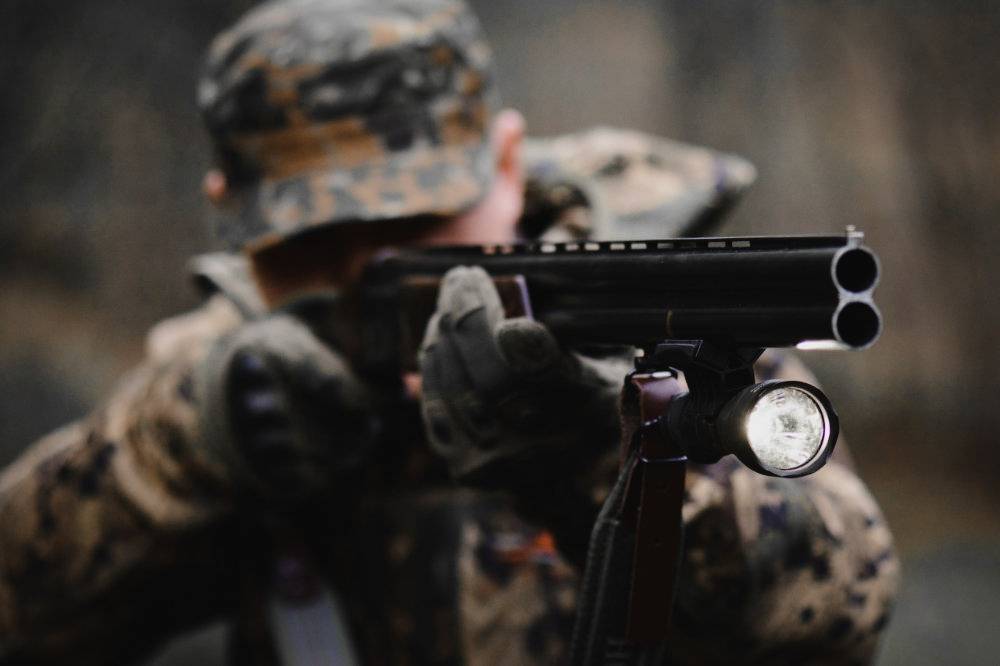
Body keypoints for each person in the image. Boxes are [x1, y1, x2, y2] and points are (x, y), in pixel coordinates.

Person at [0, 0, 899, 664]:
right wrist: (187, 447)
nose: (374, 268)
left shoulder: (640, 332)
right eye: (317, 238)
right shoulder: (228, 367)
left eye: (419, 221)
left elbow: (832, 611)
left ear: (507, 166)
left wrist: (594, 447)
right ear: (226, 216)